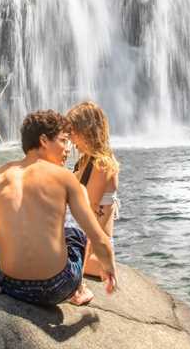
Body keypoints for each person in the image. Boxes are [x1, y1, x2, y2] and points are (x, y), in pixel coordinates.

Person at [0, 110, 119, 306]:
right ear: (44, 141)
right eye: (63, 140)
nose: (68, 148)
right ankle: (79, 289)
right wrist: (109, 268)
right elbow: (97, 238)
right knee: (79, 199)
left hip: (9, 284)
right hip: (59, 286)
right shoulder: (65, 178)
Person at [66, 100, 120, 306]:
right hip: (83, 243)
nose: (70, 139)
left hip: (95, 252)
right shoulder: (85, 161)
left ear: (86, 130)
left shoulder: (102, 165)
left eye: (73, 132)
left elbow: (87, 219)